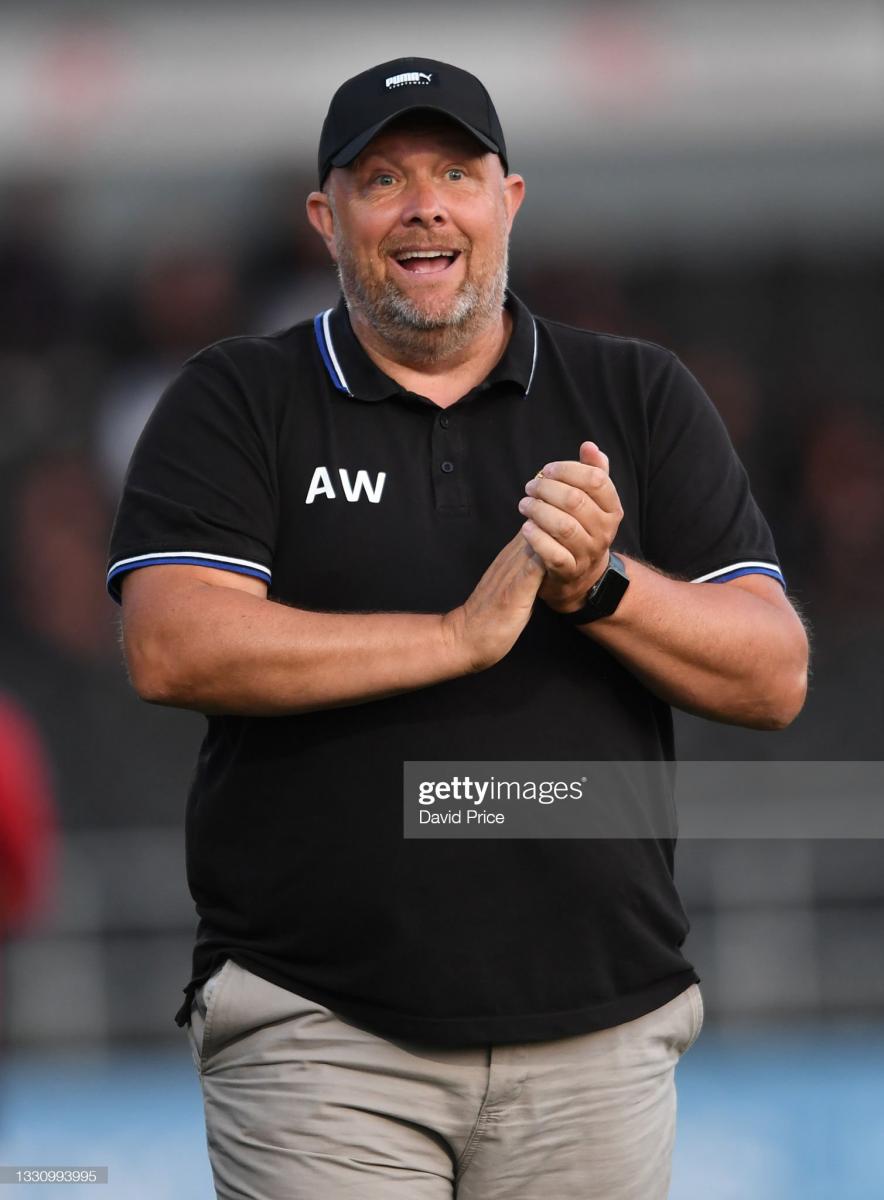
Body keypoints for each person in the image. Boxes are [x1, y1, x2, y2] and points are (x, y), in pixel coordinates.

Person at [106, 57, 808, 1200]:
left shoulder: (633, 392)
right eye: (382, 178)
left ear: (507, 201)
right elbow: (172, 644)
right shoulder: (238, 398)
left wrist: (601, 588)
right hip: (322, 1035)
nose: (424, 203)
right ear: (326, 221)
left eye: (454, 173)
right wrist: (455, 634)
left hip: (598, 1039)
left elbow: (772, 674)